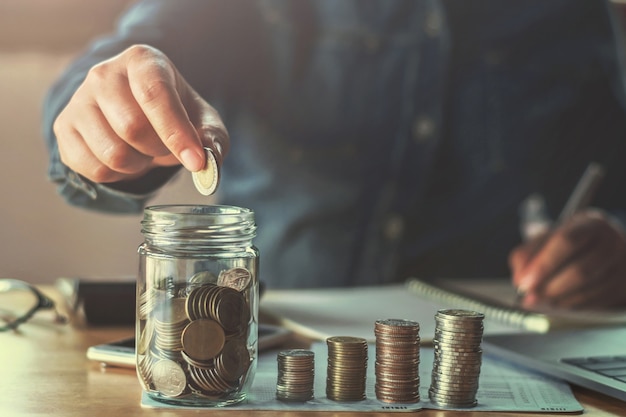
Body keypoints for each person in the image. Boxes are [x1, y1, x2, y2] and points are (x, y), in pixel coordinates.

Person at [43, 0, 626, 308]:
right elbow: (133, 51)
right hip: (269, 334)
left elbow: (612, 177)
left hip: (484, 351)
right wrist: (105, 112)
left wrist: (612, 245)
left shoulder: (570, 11)